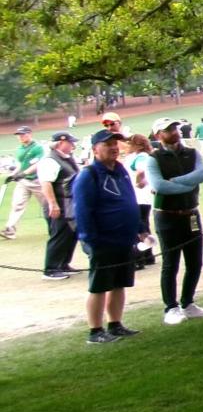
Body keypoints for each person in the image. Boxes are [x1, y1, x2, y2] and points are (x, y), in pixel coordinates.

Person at [74, 128, 151, 344]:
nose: (114, 148)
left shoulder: (121, 170)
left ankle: (115, 325)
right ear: (95, 149)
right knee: (100, 286)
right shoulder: (88, 175)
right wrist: (91, 240)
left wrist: (140, 227)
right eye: (108, 144)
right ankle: (95, 331)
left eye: (115, 144)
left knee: (120, 283)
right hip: (102, 241)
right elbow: (82, 211)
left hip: (124, 238)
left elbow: (130, 200)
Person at [147, 117, 203, 325]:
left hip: (191, 213)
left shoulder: (192, 153)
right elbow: (159, 186)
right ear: (158, 135)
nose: (174, 132)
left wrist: (175, 182)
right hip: (167, 215)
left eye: (175, 128)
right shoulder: (154, 158)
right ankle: (171, 307)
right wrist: (187, 184)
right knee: (171, 263)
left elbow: (201, 175)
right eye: (168, 130)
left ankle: (188, 302)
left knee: (195, 261)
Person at [37, 130, 82, 280]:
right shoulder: (50, 160)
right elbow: (46, 183)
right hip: (58, 204)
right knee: (59, 235)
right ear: (61, 143)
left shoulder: (65, 158)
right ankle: (51, 268)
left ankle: (63, 264)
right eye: (70, 142)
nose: (73, 145)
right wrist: (53, 204)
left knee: (70, 235)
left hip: (68, 204)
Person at [3, 126, 46, 240]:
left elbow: (37, 164)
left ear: (29, 134)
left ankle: (57, 227)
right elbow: (20, 165)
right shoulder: (20, 149)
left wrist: (23, 173)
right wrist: (13, 175)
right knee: (17, 205)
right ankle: (10, 229)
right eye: (19, 135)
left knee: (47, 205)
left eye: (23, 134)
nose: (20, 137)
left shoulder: (38, 148)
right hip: (23, 182)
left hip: (37, 181)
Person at [124, 133, 159, 268]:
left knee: (138, 227)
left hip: (139, 196)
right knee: (143, 225)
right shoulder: (140, 156)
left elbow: (140, 171)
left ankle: (139, 258)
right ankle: (147, 255)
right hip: (141, 197)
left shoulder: (141, 156)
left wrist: (138, 182)